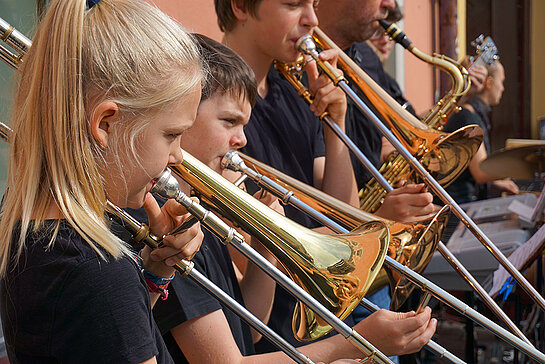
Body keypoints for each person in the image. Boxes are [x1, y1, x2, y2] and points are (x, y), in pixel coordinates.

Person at [152, 33, 436, 363]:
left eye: (244, 124)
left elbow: (250, 328)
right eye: (229, 121)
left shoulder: (200, 210)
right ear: (182, 116)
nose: (242, 139)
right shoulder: (170, 225)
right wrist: (353, 344)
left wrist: (265, 251)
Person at [0, 0, 205, 362]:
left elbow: (99, 337)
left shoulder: (31, 225)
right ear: (105, 124)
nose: (178, 157)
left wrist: (155, 272)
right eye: (172, 135)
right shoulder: (98, 270)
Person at [444, 59, 519, 204]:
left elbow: (467, 172)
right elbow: (481, 172)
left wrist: (497, 183)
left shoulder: (469, 114)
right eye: (501, 82)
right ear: (489, 83)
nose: (502, 88)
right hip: (458, 208)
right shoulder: (468, 118)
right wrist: (524, 166)